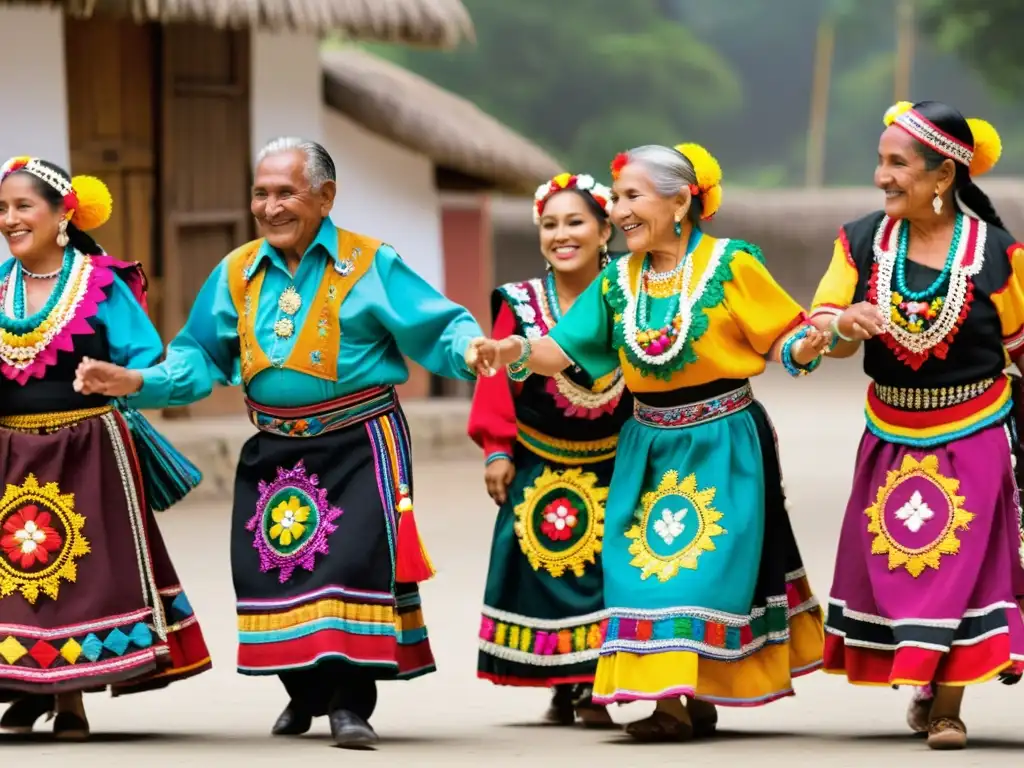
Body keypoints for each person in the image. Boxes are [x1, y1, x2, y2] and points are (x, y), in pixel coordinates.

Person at [73, 138, 492, 749]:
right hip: (275, 446)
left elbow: (441, 326)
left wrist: (470, 349)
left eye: (285, 193)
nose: (270, 207)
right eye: (260, 193)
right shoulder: (237, 272)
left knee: (352, 565)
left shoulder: (369, 263)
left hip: (360, 442)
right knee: (271, 569)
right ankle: (305, 693)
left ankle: (351, 703)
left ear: (325, 197)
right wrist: (139, 380)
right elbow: (198, 357)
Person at [471, 143, 830, 742]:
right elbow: (561, 350)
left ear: (681, 201)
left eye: (632, 197)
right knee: (639, 573)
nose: (621, 211)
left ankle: (674, 703)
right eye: (617, 199)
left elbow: (783, 338)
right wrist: (513, 350)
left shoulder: (730, 264)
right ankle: (684, 696)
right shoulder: (618, 281)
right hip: (645, 446)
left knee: (701, 572)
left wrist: (810, 344)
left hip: (721, 441)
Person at [809, 100, 1024, 751]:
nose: (881, 176)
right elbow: (817, 328)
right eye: (880, 161)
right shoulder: (861, 241)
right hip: (891, 434)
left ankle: (948, 708)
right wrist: (843, 324)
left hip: (977, 429)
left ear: (943, 176)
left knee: (964, 567)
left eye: (897, 164)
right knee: (905, 561)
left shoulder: (1000, 256)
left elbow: (1021, 347)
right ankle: (926, 682)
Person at [0, 157, 211, 740]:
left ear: (63, 213)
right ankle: (25, 687)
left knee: (77, 573)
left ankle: (71, 701)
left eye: (23, 207)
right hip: (9, 457)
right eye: (2, 209)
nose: (10, 219)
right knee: (16, 576)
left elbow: (146, 364)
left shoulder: (102, 284)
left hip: (87, 450)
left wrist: (115, 377)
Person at [469, 172, 631, 727]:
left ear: (605, 228)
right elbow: (496, 381)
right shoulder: (519, 302)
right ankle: (566, 683)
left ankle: (596, 684)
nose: (561, 235)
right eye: (550, 224)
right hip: (541, 460)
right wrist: (497, 449)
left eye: (576, 222)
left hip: (618, 460)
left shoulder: (631, 291)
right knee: (547, 569)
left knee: (612, 572)